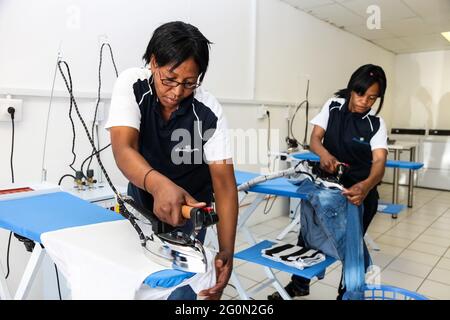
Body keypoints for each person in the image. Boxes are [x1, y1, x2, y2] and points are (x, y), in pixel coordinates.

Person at [105, 21, 238, 300]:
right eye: (170, 79)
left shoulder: (208, 111)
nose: (177, 92)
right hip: (143, 201)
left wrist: (227, 251)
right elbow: (123, 148)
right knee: (137, 282)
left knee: (180, 289)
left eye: (190, 83)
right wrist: (158, 185)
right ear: (154, 62)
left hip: (188, 212)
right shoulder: (133, 84)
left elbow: (224, 186)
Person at [268, 64, 388, 300]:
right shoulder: (333, 106)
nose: (365, 101)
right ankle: (299, 284)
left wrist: (365, 186)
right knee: (307, 237)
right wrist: (324, 155)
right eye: (361, 94)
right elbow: (315, 138)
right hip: (327, 186)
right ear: (352, 88)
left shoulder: (375, 124)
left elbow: (379, 163)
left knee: (350, 246)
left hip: (359, 193)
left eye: (372, 98)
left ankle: (346, 294)